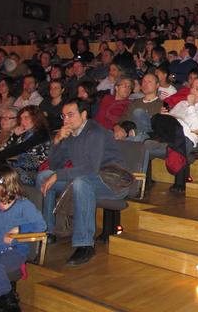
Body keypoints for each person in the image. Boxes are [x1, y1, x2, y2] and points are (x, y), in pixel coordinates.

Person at [36, 98, 129, 266]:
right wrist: (57, 141)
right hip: (87, 178)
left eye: (70, 115)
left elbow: (91, 168)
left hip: (114, 181)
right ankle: (48, 231)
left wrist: (58, 175)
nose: (66, 120)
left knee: (80, 183)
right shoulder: (71, 134)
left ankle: (85, 244)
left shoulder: (95, 132)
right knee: (43, 177)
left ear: (84, 114)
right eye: (64, 116)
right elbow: (55, 165)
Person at [0, 166, 46, 310]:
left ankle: (9, 301)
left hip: (14, 251)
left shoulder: (23, 206)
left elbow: (41, 226)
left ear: (1, 188)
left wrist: (19, 229)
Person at [149, 77, 198, 192]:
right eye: (192, 87)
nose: (193, 91)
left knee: (148, 143)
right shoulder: (182, 103)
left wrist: (191, 105)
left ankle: (158, 142)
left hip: (186, 137)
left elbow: (194, 125)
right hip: (170, 133)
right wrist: (165, 115)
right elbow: (171, 118)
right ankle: (147, 181)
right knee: (155, 118)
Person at [0, 106, 51, 186]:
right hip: (15, 165)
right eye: (21, 119)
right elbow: (8, 149)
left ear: (35, 118)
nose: (23, 121)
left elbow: (19, 149)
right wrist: (15, 136)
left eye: (26, 118)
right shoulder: (25, 132)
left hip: (30, 169)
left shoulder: (41, 133)